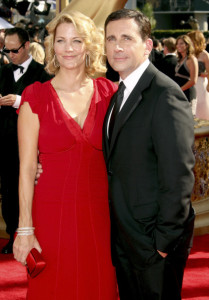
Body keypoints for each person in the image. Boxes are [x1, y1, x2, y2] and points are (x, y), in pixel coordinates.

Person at [13, 11, 118, 300]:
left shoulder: (110, 93)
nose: (68, 48)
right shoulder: (35, 97)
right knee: (53, 288)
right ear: (52, 47)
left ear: (89, 46)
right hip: (50, 212)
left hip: (100, 216)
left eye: (76, 40)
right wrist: (25, 228)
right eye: (61, 41)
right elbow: (26, 168)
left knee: (99, 286)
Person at [103, 9, 195, 300]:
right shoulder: (120, 92)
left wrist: (163, 241)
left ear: (147, 45)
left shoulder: (165, 94)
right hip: (125, 237)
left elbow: (179, 175)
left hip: (152, 243)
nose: (117, 46)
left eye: (127, 38)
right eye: (111, 38)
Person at [0, 27, 52, 254]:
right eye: (6, 50)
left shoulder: (43, 73)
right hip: (5, 143)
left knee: (30, 189)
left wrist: (20, 101)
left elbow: (50, 106)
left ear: (27, 45)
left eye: (14, 50)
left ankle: (33, 232)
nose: (10, 54)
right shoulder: (2, 72)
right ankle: (13, 234)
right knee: (8, 191)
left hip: (31, 146)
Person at [187, 30, 209, 120]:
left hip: (201, 84)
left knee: (202, 107)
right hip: (189, 83)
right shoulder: (188, 54)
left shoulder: (205, 55)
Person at [174, 34, 198, 115]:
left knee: (188, 119)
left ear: (187, 45)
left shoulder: (191, 59)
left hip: (188, 93)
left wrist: (180, 89)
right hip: (180, 93)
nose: (178, 45)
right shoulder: (180, 59)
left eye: (181, 43)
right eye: (177, 43)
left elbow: (193, 80)